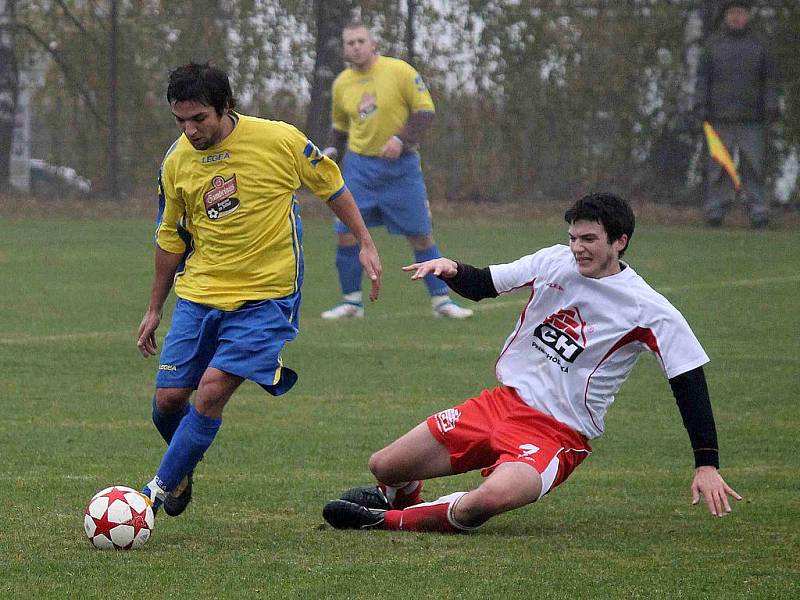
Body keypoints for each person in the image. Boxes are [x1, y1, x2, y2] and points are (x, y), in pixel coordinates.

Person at [323, 193, 741, 533]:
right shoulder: (553, 261)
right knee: (384, 465)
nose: (578, 247)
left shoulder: (649, 309)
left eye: (590, 239)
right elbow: (485, 283)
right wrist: (451, 269)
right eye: (574, 237)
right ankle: (402, 498)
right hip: (500, 405)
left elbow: (688, 379)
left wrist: (707, 462)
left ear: (620, 241)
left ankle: (385, 521)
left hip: (556, 433)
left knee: (487, 501)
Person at [136, 62, 381, 515]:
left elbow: (332, 185)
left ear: (225, 106)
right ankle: (182, 467)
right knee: (167, 402)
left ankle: (150, 495)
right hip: (200, 293)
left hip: (266, 297)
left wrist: (365, 241)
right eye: (180, 121)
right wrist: (155, 308)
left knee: (210, 392)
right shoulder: (175, 163)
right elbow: (170, 237)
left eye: (199, 119)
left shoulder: (279, 140)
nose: (189, 131)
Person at [320, 22, 473, 320]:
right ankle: (352, 303)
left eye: (361, 40)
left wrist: (401, 140)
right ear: (344, 49)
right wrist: (331, 151)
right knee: (346, 234)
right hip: (360, 168)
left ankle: (442, 302)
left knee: (420, 236)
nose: (355, 46)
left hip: (401, 169)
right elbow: (340, 128)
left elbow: (425, 111)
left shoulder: (399, 71)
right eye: (349, 42)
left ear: (373, 43)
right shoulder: (341, 84)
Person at [694, 0, 779, 228]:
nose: (736, 17)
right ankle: (715, 211)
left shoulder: (760, 46)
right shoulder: (713, 46)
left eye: (740, 13)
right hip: (719, 118)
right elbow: (702, 80)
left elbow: (770, 81)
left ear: (748, 16)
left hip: (754, 119)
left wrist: (771, 106)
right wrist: (700, 106)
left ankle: (759, 211)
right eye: (732, 13)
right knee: (718, 168)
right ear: (725, 17)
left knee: (754, 167)